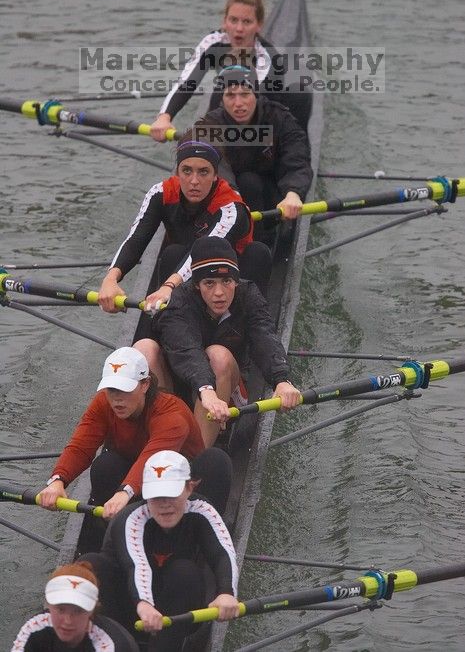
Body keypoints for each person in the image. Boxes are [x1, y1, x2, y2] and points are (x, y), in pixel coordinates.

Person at [37, 346, 232, 551]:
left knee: (216, 460)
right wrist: (58, 480)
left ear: (145, 385)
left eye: (125, 390)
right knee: (105, 465)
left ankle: (202, 543)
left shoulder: (172, 414)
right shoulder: (104, 403)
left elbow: (152, 457)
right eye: (112, 390)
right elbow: (81, 444)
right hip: (138, 486)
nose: (117, 399)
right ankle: (112, 541)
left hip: (179, 489)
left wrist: (124, 492)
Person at [137, 237, 302, 448]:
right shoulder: (178, 302)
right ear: (196, 285)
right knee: (143, 350)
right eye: (209, 283)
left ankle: (196, 454)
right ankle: (166, 435)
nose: (219, 293)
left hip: (227, 396)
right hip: (189, 387)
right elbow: (186, 349)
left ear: (236, 280)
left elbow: (264, 337)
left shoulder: (249, 295)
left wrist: (281, 380)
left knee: (218, 354)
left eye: (227, 282)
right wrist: (206, 391)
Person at [83, 451, 240, 652]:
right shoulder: (132, 519)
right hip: (127, 605)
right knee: (90, 565)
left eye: (172, 494)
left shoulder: (203, 510)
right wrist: (144, 604)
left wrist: (227, 593)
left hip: (176, 609)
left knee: (185, 572)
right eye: (156, 496)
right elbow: (136, 566)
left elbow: (223, 554)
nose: (165, 504)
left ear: (189, 488)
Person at [98, 136, 272, 308]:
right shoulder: (160, 193)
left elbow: (204, 251)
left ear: (215, 176)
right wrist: (111, 278)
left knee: (259, 252)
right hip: (189, 275)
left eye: (203, 172)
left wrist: (169, 286)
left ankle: (248, 318)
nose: (194, 181)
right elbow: (136, 239)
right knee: (172, 254)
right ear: (177, 172)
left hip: (230, 279)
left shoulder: (231, 207)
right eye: (187, 171)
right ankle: (165, 320)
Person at [150, 0, 312, 140]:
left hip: (266, 118)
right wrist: (164, 117)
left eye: (247, 22)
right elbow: (186, 82)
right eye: (233, 20)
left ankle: (300, 151)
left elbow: (252, 99)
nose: (239, 28)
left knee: (299, 92)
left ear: (259, 26)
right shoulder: (214, 42)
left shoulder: (269, 56)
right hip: (233, 110)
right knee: (225, 90)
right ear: (224, 21)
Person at [196, 65, 313, 230]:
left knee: (250, 182)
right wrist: (232, 196)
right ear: (221, 99)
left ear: (256, 95)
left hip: (273, 199)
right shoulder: (211, 124)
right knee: (246, 182)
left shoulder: (278, 118)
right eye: (230, 95)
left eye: (245, 94)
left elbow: (297, 159)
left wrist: (293, 193)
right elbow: (215, 165)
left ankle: (262, 240)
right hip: (229, 196)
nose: (238, 104)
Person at [11, 561, 139, 651]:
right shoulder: (34, 628)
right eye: (61, 609)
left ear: (91, 610)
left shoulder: (111, 646)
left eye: (78, 611)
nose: (67, 621)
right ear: (49, 606)